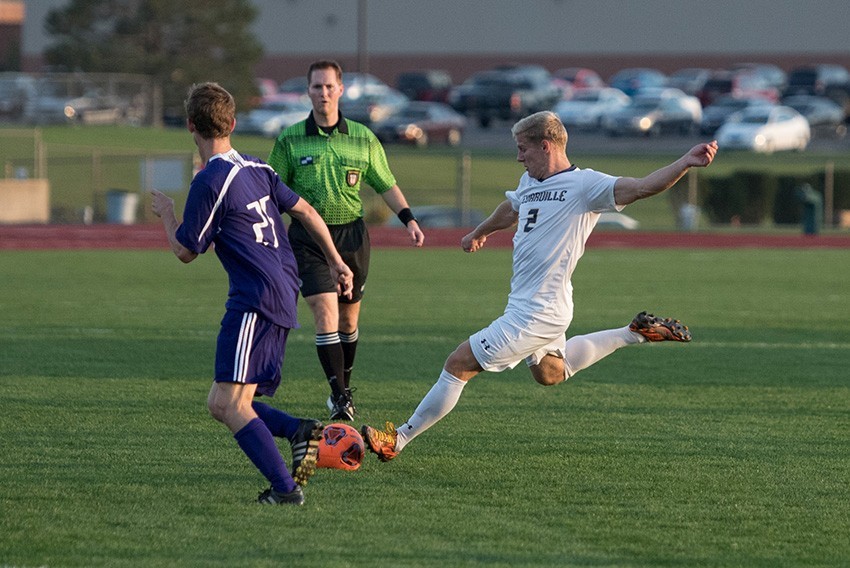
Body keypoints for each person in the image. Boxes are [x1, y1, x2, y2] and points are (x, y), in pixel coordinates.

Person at [361, 111, 718, 462]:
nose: (518, 158)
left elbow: (642, 186)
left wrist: (685, 162)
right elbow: (511, 208)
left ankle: (399, 439)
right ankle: (634, 332)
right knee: (550, 373)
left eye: (523, 149)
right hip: (534, 305)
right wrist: (479, 231)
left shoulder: (585, 186)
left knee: (459, 363)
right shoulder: (531, 183)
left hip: (538, 313)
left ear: (546, 146)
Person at [150, 82, 354, 505]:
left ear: (191, 126)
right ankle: (299, 430)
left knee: (231, 405)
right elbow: (307, 211)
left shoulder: (211, 180)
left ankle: (285, 490)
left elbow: (186, 250)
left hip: (255, 299)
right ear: (233, 123)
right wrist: (336, 260)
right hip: (282, 289)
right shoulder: (258, 168)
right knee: (221, 401)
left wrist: (168, 214)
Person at [268, 60, 426, 421]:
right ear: (307, 92)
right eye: (316, 87)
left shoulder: (363, 137)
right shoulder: (290, 139)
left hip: (352, 237)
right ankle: (339, 397)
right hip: (306, 239)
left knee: (348, 321)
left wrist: (409, 219)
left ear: (340, 90)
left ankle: (344, 387)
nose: (323, 93)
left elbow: (385, 183)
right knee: (324, 314)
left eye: (328, 87)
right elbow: (270, 189)